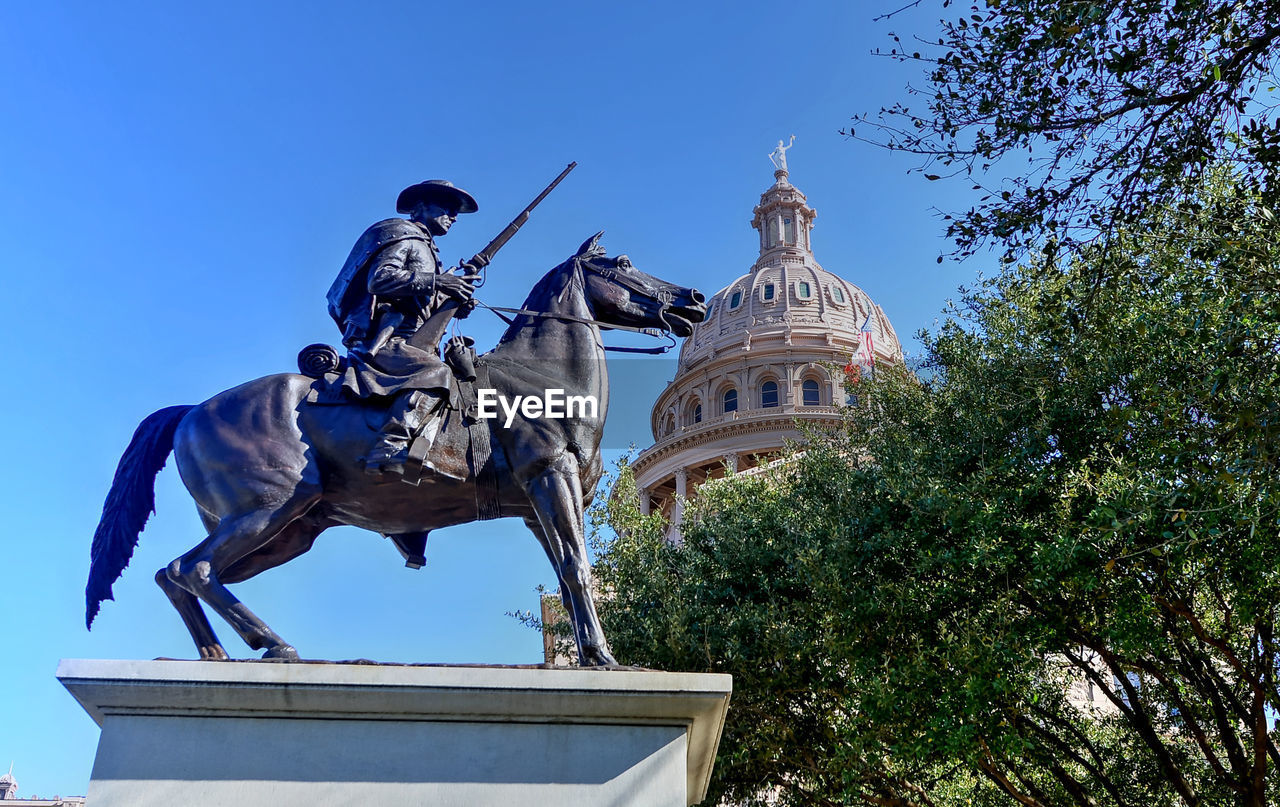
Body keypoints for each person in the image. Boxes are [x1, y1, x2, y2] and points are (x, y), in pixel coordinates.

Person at [325, 180, 486, 480]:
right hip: (388, 341)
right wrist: (439, 282)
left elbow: (423, 306)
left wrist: (455, 301)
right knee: (437, 373)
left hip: (414, 341)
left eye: (455, 212)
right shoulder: (407, 238)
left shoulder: (428, 250)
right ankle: (391, 444)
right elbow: (380, 280)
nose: (453, 215)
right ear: (421, 207)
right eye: (446, 208)